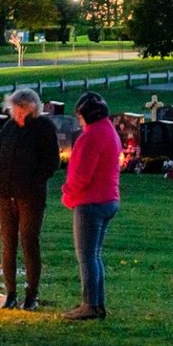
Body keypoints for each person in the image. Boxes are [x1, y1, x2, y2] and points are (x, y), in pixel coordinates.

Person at [0, 87, 60, 311]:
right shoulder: (9, 127)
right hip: (4, 194)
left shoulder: (43, 128)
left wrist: (32, 182)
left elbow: (52, 162)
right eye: (16, 110)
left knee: (29, 241)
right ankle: (10, 293)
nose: (18, 115)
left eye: (23, 111)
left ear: (33, 109)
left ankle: (32, 294)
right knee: (8, 243)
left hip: (30, 196)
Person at [60, 92, 121, 321]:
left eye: (80, 116)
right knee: (95, 255)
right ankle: (96, 302)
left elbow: (81, 175)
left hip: (91, 202)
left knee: (86, 256)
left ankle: (89, 305)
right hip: (109, 198)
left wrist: (67, 193)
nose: (79, 120)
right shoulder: (110, 132)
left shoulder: (90, 138)